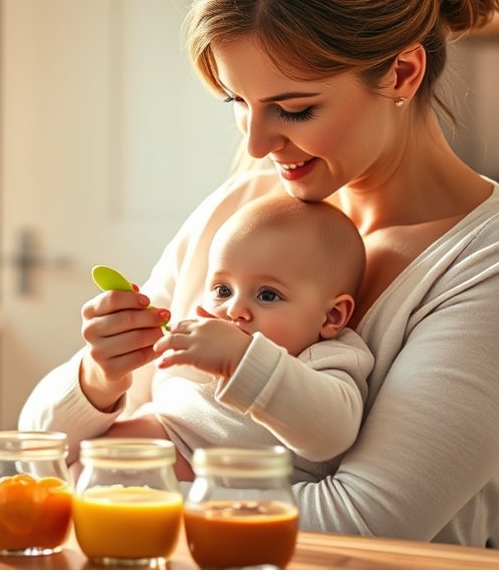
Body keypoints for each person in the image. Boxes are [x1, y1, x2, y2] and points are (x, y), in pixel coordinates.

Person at [19, 0, 499, 547]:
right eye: (236, 101)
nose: (258, 143)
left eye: (294, 109)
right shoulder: (246, 208)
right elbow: (35, 451)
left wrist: (112, 491)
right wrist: (99, 378)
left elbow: (364, 524)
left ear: (403, 73)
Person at [101, 193, 373, 484]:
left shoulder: (330, 357)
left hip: (210, 480)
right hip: (166, 436)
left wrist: (241, 358)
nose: (234, 310)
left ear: (332, 316)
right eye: (223, 290)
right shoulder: (206, 332)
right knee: (95, 456)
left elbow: (332, 434)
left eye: (267, 295)